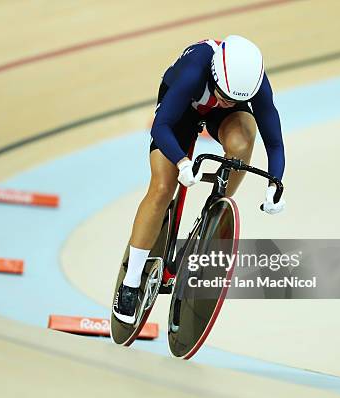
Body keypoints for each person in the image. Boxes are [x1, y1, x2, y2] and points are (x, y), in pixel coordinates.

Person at [113, 35, 286, 324]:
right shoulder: (195, 70)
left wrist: (275, 184)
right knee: (162, 188)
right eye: (224, 94)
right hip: (179, 110)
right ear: (215, 75)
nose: (227, 101)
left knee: (244, 141)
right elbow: (160, 126)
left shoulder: (251, 84)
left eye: (236, 99)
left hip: (223, 117)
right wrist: (182, 163)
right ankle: (130, 283)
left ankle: (213, 212)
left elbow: (275, 142)